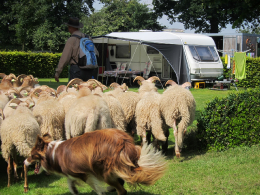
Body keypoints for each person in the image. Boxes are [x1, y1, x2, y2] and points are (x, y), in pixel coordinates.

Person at [55, 17, 98, 82]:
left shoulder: (72, 39)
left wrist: (58, 72)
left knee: (75, 91)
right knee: (87, 91)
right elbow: (96, 53)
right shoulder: (88, 37)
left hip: (77, 70)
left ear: (70, 27)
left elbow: (65, 57)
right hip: (90, 70)